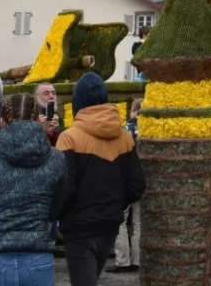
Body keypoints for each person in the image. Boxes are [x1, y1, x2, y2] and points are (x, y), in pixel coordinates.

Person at [56, 73, 146, 286]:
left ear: (78, 101)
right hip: (109, 224)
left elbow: (64, 189)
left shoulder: (69, 138)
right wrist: (115, 203)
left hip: (78, 227)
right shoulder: (124, 137)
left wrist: (59, 216)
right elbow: (136, 185)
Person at [0, 93, 68, 286]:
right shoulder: (56, 159)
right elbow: (56, 209)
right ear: (39, 119)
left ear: (2, 122)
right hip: (38, 255)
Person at [111, 100, 144, 273]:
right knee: (139, 223)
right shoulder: (151, 129)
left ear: (134, 111)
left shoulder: (126, 130)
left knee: (121, 221)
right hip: (144, 181)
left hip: (125, 181)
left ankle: (122, 261)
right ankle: (137, 261)